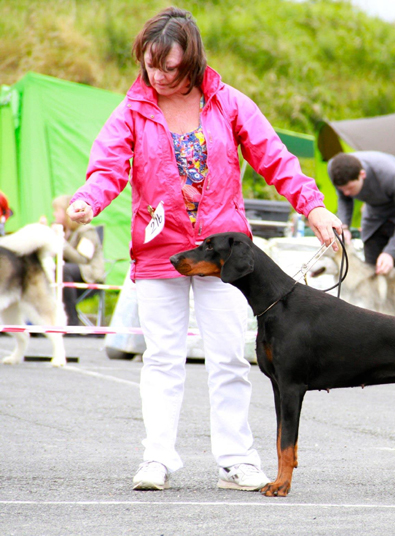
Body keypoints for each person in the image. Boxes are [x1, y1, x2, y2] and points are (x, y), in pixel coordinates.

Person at [67, 7, 341, 491]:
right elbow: (108, 166)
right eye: (150, 65)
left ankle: (236, 461)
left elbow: (275, 159)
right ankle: (156, 460)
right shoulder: (132, 109)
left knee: (230, 359)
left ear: (190, 61)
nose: (157, 75)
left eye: (168, 66)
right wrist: (88, 199)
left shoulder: (230, 102)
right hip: (158, 253)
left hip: (227, 260)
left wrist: (314, 207)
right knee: (162, 359)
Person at [328, 151, 395, 275]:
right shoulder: (334, 169)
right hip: (376, 207)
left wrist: (390, 253)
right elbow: (344, 199)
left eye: (350, 188)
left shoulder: (390, 174)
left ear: (362, 174)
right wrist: (344, 227)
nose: (346, 193)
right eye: (342, 189)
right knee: (371, 256)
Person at [52, 195, 105, 326]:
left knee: (63, 271)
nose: (53, 214)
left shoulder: (87, 231)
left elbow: (83, 259)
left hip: (90, 278)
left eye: (56, 210)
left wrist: (61, 242)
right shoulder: (68, 232)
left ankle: (71, 322)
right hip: (71, 277)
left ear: (66, 212)